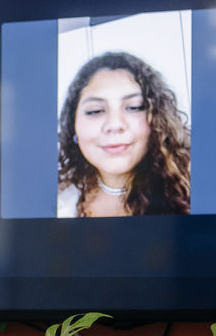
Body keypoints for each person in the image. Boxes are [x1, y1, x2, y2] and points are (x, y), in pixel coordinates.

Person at [57, 51, 191, 217]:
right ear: (73, 126)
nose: (114, 125)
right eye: (95, 111)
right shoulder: (59, 201)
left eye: (134, 107)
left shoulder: (193, 192)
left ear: (158, 120)